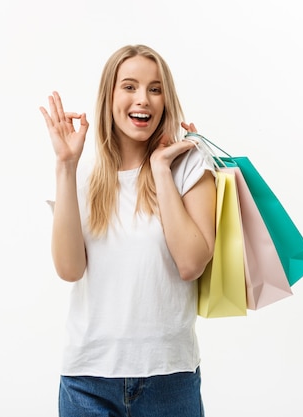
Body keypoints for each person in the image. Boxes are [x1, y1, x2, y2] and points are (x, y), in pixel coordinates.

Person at [39, 44, 216, 417]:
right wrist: (65, 166)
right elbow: (69, 270)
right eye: (130, 86)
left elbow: (191, 264)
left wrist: (161, 169)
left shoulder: (190, 165)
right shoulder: (83, 176)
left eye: (155, 89)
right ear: (110, 97)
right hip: (88, 379)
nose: (144, 100)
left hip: (169, 377)